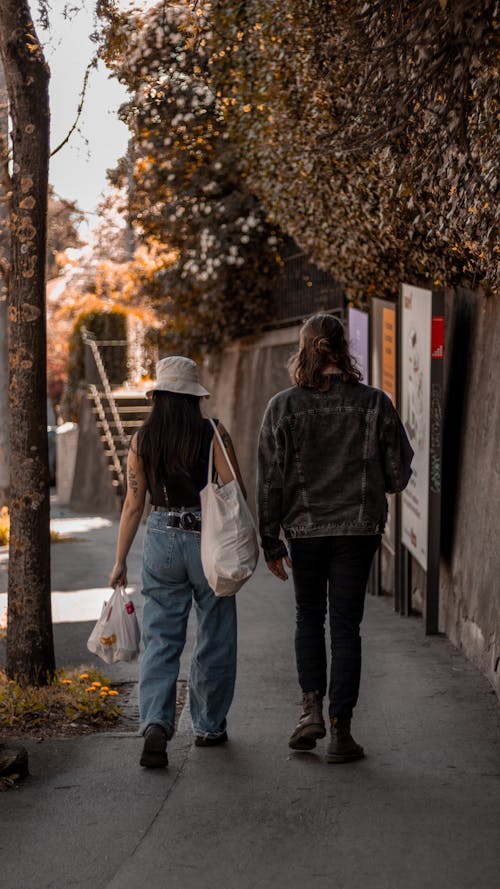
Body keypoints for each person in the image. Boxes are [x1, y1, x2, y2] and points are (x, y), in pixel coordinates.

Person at [257, 313, 413, 763]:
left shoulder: (282, 407)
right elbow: (399, 473)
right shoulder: (374, 403)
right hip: (358, 529)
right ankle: (342, 733)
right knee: (346, 625)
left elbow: (270, 481)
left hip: (304, 532)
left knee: (309, 617)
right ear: (345, 349)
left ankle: (310, 713)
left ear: (303, 349)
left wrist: (271, 541)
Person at [110, 356, 246, 769]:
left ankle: (155, 722)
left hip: (161, 540)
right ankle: (207, 725)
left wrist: (119, 562)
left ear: (158, 395)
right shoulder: (212, 432)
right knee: (215, 632)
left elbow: (134, 504)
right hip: (209, 542)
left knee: (161, 637)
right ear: (193, 397)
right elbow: (232, 489)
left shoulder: (142, 440)